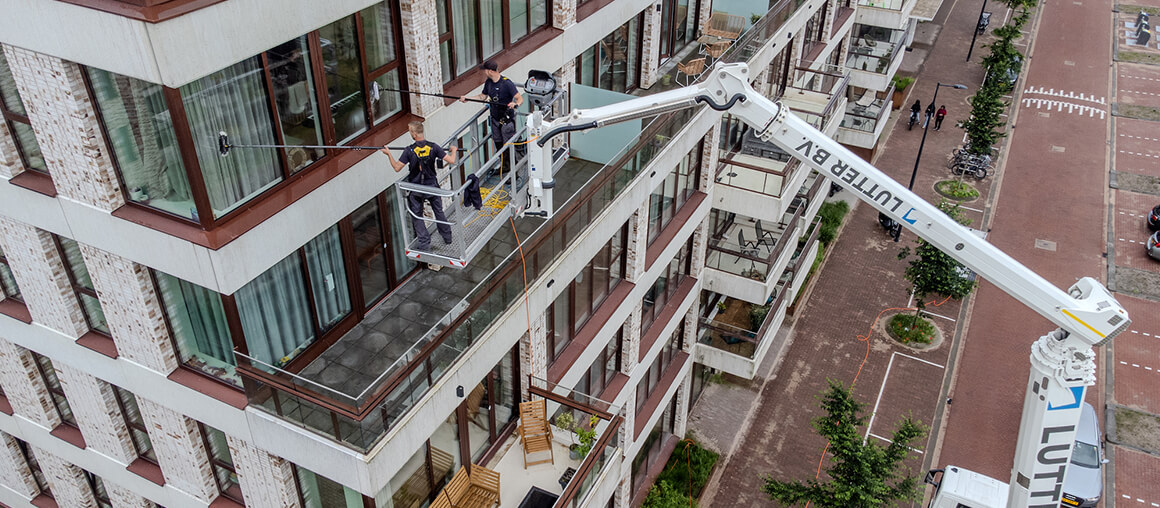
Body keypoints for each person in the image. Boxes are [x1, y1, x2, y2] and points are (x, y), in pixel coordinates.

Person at [383, 121, 458, 261]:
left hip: (416, 188)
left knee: (417, 215)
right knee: (438, 211)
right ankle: (447, 237)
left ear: (414, 133)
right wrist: (453, 150)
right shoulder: (434, 147)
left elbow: (397, 168)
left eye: (410, 131)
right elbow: (452, 160)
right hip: (432, 186)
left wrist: (388, 154)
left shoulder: (409, 150)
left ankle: (424, 244)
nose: (410, 134)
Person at [461, 60, 524, 173]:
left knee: (508, 146)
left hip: (506, 121)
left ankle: (514, 172)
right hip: (495, 119)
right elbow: (483, 96)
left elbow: (519, 98)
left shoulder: (507, 84)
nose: (484, 72)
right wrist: (468, 98)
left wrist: (516, 104)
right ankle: (504, 166)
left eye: (485, 70)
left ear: (490, 71)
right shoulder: (489, 82)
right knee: (499, 144)